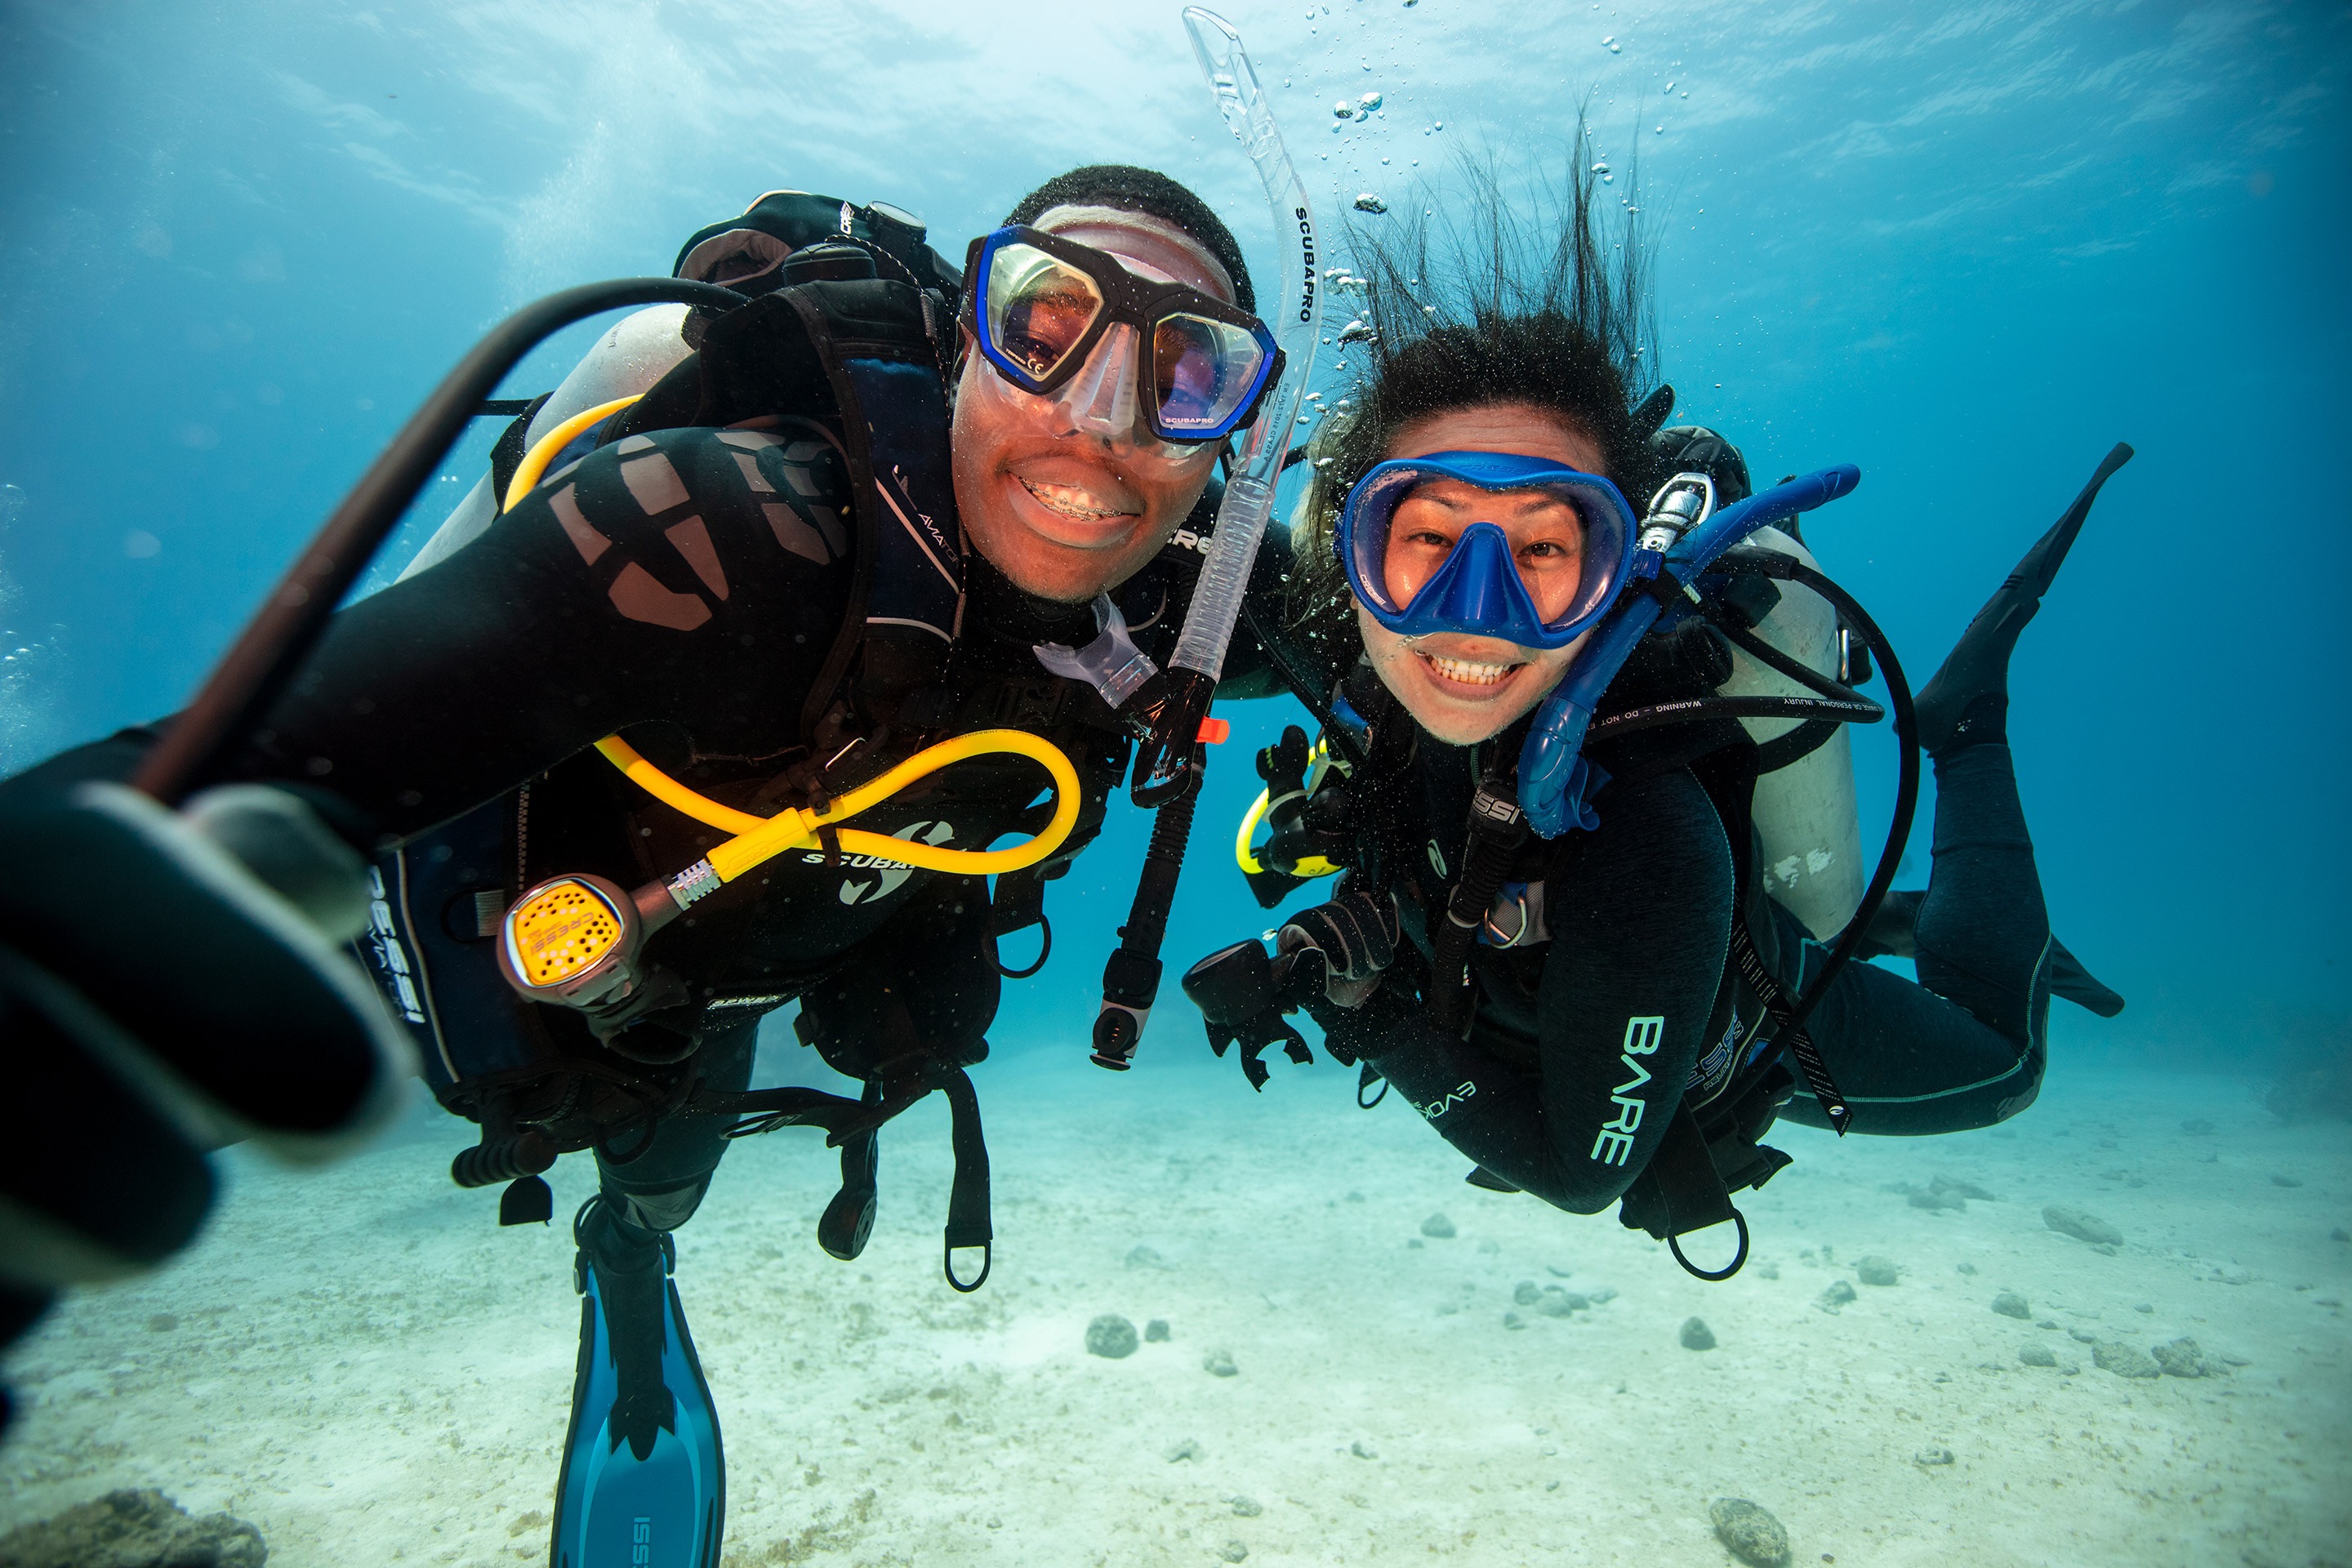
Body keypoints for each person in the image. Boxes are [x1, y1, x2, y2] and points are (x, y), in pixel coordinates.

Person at [0, 164, 1283, 1565]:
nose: (1104, 420)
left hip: (714, 996)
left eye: (1191, 373)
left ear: (1233, 431)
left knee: (661, 1185)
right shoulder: (719, 526)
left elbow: (1435, 621)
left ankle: (626, 1255)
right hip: (484, 925)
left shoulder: (1199, 590)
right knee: (162, 1064)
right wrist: (72, 918)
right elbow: (273, 763)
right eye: (1044, 325)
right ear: (965, 334)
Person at [1183, 154, 2127, 1276]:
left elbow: (1585, 1172)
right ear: (1350, 552)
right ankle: (1886, 912)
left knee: (2005, 1070)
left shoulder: (1651, 841)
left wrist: (1369, 1015)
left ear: (1614, 570)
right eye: (1427, 536)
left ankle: (1962, 733)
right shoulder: (1345, 651)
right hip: (1551, 985)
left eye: (1544, 548)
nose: (1476, 617)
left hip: (1730, 1006)